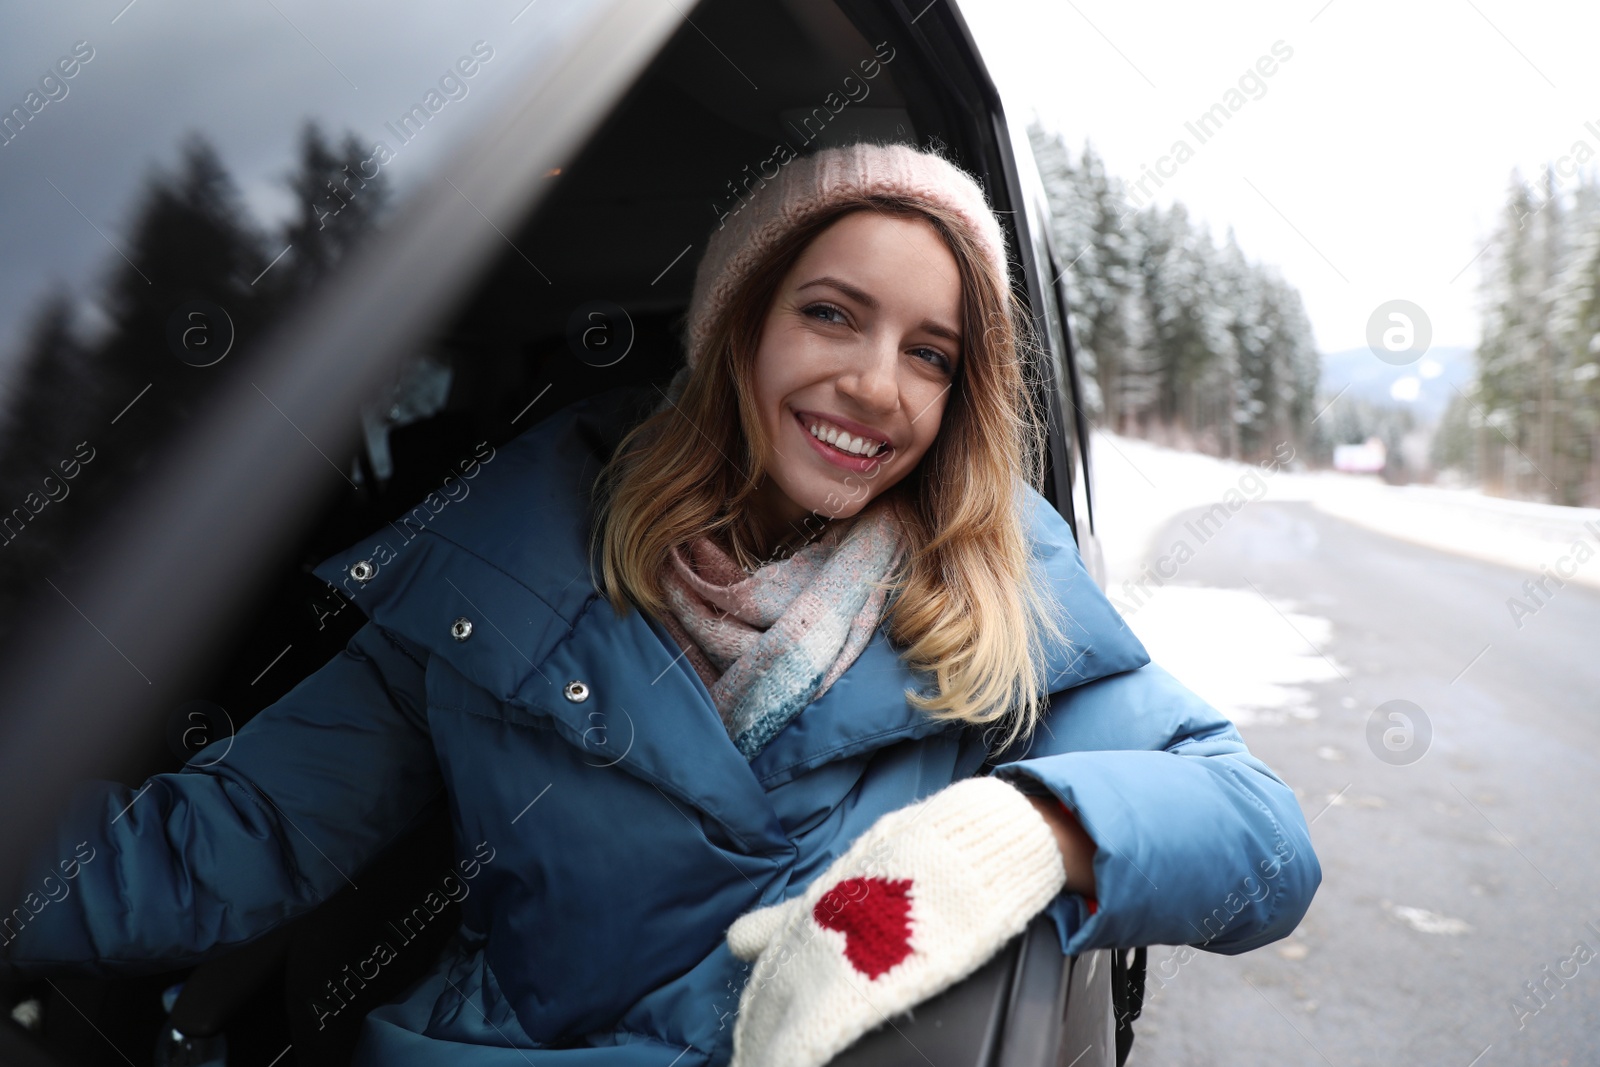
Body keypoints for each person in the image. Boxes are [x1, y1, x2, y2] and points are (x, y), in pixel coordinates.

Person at [0, 141, 1320, 1066]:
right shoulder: (501, 569)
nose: (877, 384)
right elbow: (225, 841)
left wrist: (1022, 831)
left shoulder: (1001, 594)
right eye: (831, 315)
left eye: (933, 354)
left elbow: (1261, 841)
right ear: (738, 328)